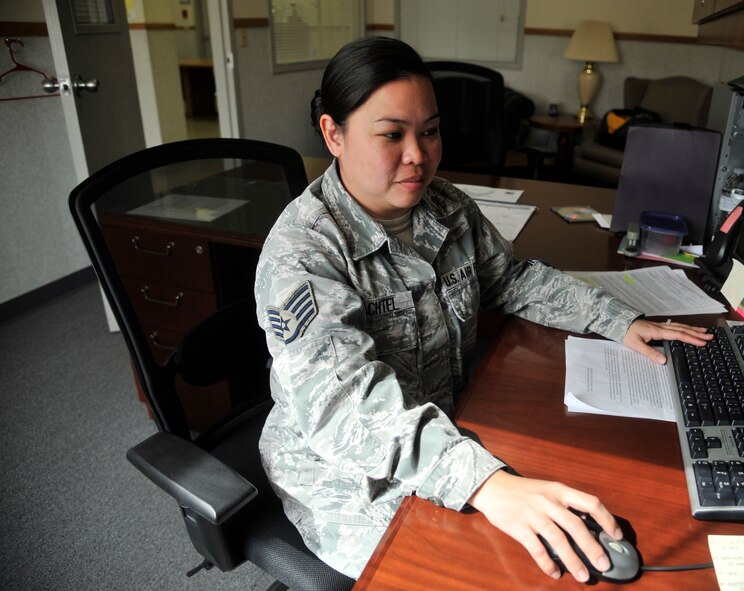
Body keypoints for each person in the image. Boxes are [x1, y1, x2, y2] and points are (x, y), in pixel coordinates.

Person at [254, 36, 712, 583]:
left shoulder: (446, 206)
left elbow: (511, 279)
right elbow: (344, 408)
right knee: (490, 572)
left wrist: (619, 321)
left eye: (429, 131)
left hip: (444, 429)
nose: (418, 155)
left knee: (577, 510)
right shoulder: (302, 253)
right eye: (391, 135)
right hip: (346, 474)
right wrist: (484, 483)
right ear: (334, 134)